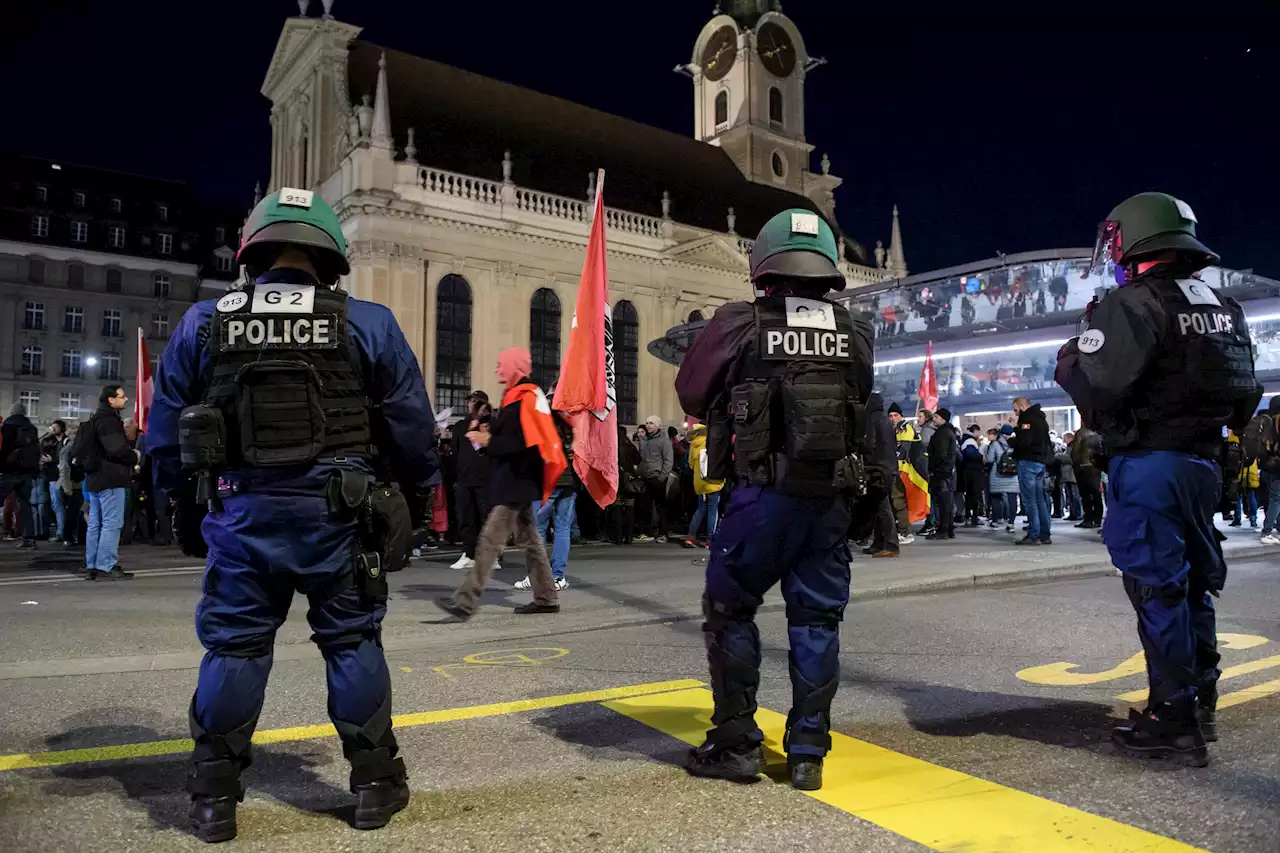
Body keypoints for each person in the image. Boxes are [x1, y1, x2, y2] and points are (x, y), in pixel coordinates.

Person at [148, 188, 439, 841]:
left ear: (254, 252)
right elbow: (411, 428)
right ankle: (371, 783)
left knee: (236, 643)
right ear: (330, 256)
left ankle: (214, 793)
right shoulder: (367, 321)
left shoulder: (204, 321)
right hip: (339, 514)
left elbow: (164, 432)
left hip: (242, 511)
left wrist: (182, 510)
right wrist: (417, 500)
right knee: (352, 639)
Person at [1056, 191, 1263, 765]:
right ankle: (1200, 702)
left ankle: (1172, 720)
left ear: (1136, 239)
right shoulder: (1222, 305)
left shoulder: (1132, 302)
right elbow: (1248, 390)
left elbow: (1099, 385)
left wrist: (1071, 354)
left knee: (1157, 588)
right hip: (1202, 462)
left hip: (1150, 462)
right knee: (1196, 585)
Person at [674, 208, 876, 791]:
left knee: (731, 607)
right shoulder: (855, 329)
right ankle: (809, 749)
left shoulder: (740, 321)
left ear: (764, 266)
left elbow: (692, 392)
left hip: (761, 496)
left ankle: (737, 741)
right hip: (830, 498)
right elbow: (859, 392)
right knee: (816, 618)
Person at [436, 348, 564, 621]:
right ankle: (546, 597)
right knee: (531, 543)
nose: (497, 370)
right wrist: (487, 437)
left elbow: (522, 445)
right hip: (517, 483)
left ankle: (465, 602)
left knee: (489, 540)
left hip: (515, 484)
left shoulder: (524, 399)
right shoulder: (517, 398)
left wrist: (489, 441)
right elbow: (512, 440)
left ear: (514, 367)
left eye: (500, 365)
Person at [79, 387, 138, 579]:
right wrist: (133, 456)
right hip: (111, 477)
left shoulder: (94, 419)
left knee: (95, 523)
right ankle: (106, 565)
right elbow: (116, 449)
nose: (126, 399)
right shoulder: (109, 421)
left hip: (94, 477)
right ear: (111, 400)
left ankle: (92, 565)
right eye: (122, 396)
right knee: (112, 523)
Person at [520, 407, 576, 590]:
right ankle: (558, 576)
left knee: (538, 530)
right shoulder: (573, 427)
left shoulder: (544, 426)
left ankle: (537, 575)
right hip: (569, 481)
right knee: (562, 529)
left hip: (548, 482)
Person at [449, 391, 494, 572]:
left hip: (486, 480)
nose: (472, 405)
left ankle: (490, 555)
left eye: (476, 402)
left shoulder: (491, 426)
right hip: (464, 480)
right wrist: (456, 476)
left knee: (486, 518)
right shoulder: (460, 426)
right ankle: (468, 553)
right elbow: (455, 453)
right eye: (470, 401)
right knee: (466, 518)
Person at [1011, 397, 1053, 545]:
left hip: (1028, 462)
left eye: (1015, 409)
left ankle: (1033, 534)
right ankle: (1044, 534)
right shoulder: (1041, 419)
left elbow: (1024, 442)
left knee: (1030, 500)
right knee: (1040, 499)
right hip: (1040, 462)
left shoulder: (1027, 419)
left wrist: (1012, 438)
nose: (1015, 413)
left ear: (1022, 406)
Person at [863, 393, 901, 557]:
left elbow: (869, 445)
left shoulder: (872, 420)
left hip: (878, 469)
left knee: (882, 507)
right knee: (879, 506)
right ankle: (878, 543)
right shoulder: (887, 422)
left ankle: (891, 545)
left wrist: (865, 461)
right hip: (889, 468)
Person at [0, 403, 41, 550]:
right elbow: (37, 451)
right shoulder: (31, 429)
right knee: (25, 505)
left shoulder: (7, 427)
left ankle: (10, 532)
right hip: (26, 473)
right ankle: (29, 538)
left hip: (8, 471)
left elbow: (2, 449)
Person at [887, 403, 924, 544]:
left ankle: (905, 532)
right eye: (890, 416)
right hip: (897, 470)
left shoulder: (905, 428)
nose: (893, 418)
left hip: (903, 471)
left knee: (898, 501)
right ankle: (902, 530)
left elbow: (903, 450)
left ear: (901, 416)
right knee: (895, 501)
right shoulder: (895, 429)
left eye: (895, 415)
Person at [635, 416, 673, 543]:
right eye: (646, 423)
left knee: (660, 507)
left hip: (657, 478)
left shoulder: (664, 441)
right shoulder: (644, 440)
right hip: (645, 478)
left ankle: (663, 533)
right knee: (644, 506)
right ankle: (646, 532)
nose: (648, 425)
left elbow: (668, 460)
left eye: (651, 423)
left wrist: (662, 477)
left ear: (657, 425)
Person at [684, 423, 724, 548]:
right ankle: (710, 541)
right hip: (713, 481)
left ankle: (690, 537)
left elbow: (690, 464)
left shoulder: (693, 444)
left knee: (700, 509)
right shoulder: (712, 441)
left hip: (699, 482)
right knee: (713, 510)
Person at [926, 409, 958, 540]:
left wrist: (934, 469)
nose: (934, 419)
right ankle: (948, 529)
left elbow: (940, 454)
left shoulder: (942, 434)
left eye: (936, 417)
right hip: (946, 472)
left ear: (943, 419)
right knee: (947, 502)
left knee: (941, 502)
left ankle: (943, 529)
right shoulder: (948, 432)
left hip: (940, 473)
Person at [986, 426, 1019, 533]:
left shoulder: (995, 444)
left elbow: (990, 459)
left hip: (997, 475)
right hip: (1013, 475)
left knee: (996, 498)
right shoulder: (1015, 444)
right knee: (1012, 499)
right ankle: (1011, 523)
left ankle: (996, 520)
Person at [1071, 426, 1105, 529]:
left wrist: (1075, 463)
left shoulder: (1081, 432)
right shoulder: (1099, 432)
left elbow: (1075, 450)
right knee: (1096, 492)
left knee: (1085, 494)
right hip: (1095, 466)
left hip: (1083, 466)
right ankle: (1098, 519)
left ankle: (1088, 519)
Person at [958, 424, 985, 526]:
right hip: (973, 472)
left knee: (969, 495)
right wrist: (980, 457)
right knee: (974, 495)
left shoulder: (965, 439)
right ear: (975, 431)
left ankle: (969, 516)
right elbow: (970, 453)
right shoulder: (970, 441)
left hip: (967, 472)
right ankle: (973, 517)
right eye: (978, 431)